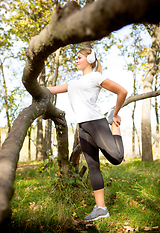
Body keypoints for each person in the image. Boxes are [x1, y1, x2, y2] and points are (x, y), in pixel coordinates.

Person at [48, 48, 128, 221]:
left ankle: (115, 125)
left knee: (117, 158)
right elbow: (51, 90)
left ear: (90, 59)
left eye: (79, 57)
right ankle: (101, 208)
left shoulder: (96, 77)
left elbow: (122, 91)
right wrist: (33, 87)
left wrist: (115, 113)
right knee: (93, 167)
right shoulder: (73, 82)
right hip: (83, 126)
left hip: (97, 123)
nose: (76, 60)